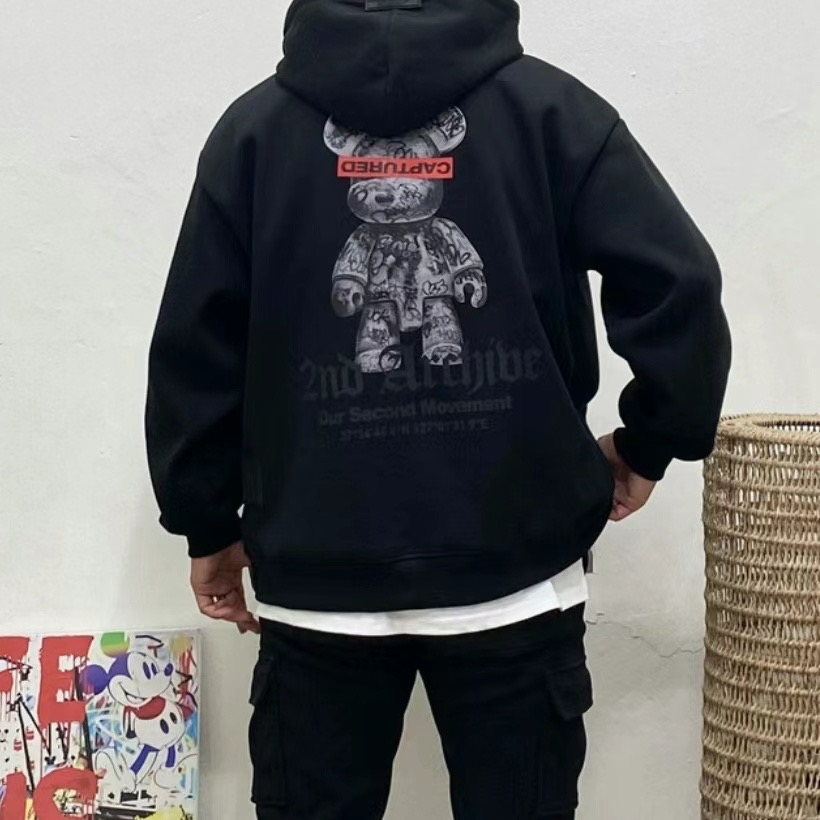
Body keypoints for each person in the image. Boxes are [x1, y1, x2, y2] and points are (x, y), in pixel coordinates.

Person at [145, 1, 731, 817]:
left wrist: (205, 521)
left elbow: (194, 347)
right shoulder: (555, 113)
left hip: (318, 569)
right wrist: (650, 441)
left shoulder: (253, 134)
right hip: (519, 569)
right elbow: (680, 284)